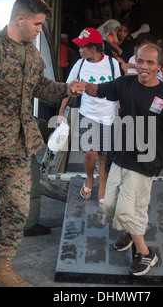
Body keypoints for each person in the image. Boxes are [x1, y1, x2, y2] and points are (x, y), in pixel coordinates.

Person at [0, 0, 83, 287]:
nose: (39, 29)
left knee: (17, 209)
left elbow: (41, 87)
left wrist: (66, 88)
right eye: (36, 24)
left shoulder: (32, 54)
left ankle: (2, 271)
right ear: (20, 19)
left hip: (19, 146)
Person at [83, 43, 163, 276]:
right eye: (140, 61)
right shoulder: (125, 83)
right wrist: (81, 86)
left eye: (150, 62)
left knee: (127, 209)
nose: (144, 66)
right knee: (109, 205)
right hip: (120, 155)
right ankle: (131, 233)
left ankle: (145, 252)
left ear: (159, 66)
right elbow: (98, 90)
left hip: (145, 161)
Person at [58, 28, 121, 204]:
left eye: (82, 47)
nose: (79, 50)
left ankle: (102, 185)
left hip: (109, 117)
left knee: (104, 156)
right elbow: (68, 89)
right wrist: (61, 112)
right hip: (88, 115)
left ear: (93, 48)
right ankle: (89, 178)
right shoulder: (79, 65)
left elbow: (118, 89)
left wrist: (122, 110)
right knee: (90, 154)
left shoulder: (111, 63)